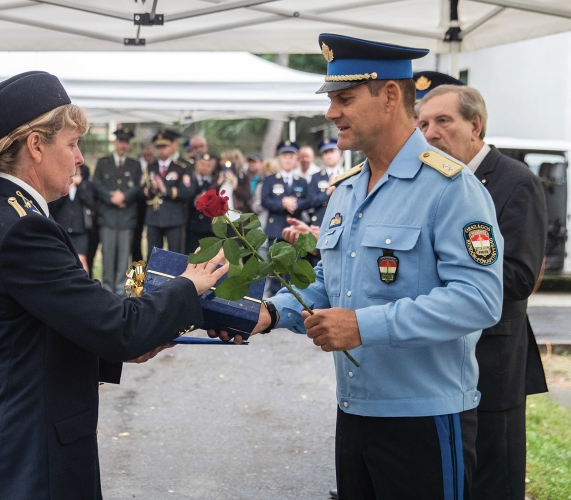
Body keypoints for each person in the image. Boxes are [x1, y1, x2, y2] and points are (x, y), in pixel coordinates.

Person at [215, 34, 504, 499]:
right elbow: (331, 282)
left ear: (391, 95)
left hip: (424, 419)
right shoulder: (347, 189)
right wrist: (269, 313)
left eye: (344, 99)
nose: (331, 113)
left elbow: (480, 300)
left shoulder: (452, 188)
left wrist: (364, 326)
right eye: (331, 100)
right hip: (355, 412)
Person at [0, 71, 228, 499]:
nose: (79, 158)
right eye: (72, 143)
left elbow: (46, 328)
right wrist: (190, 284)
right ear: (36, 145)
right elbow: (117, 326)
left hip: (24, 445)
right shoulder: (20, 228)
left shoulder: (6, 213)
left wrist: (127, 346)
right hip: (30, 459)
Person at [418, 84, 548, 500]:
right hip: (440, 362)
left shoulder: (516, 181)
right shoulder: (433, 182)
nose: (430, 133)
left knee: (495, 481)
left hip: (493, 361)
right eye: (422, 123)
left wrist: (437, 275)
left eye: (442, 121)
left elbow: (519, 275)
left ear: (475, 124)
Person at [93, 127, 142, 297]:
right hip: (107, 217)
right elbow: (96, 185)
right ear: (115, 143)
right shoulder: (103, 162)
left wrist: (125, 197)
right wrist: (110, 197)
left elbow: (138, 187)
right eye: (120, 141)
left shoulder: (135, 165)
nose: (123, 145)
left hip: (127, 218)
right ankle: (107, 291)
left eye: (126, 142)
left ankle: (121, 292)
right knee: (107, 257)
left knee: (124, 258)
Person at [261, 140, 309, 296]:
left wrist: (295, 203)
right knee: (276, 270)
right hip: (276, 230)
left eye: (291, 156)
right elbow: (265, 200)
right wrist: (282, 203)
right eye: (284, 156)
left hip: (295, 230)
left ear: (295, 159)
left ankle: (293, 299)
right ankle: (275, 304)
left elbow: (308, 200)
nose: (288, 159)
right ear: (279, 159)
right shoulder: (270, 179)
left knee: (293, 268)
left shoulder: (301, 181)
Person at [143, 128, 195, 256]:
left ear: (174, 145)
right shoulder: (151, 167)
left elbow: (188, 191)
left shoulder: (183, 166)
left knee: (175, 255)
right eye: (159, 147)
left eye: (165, 146)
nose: (161, 150)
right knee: (153, 256)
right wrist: (153, 189)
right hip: (154, 218)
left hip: (174, 218)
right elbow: (143, 191)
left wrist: (165, 190)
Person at [48, 167, 94, 273]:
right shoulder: (60, 187)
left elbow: (91, 203)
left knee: (81, 260)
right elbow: (55, 205)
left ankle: (84, 285)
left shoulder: (86, 185)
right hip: (63, 228)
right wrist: (67, 188)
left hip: (80, 230)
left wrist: (80, 186)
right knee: (62, 259)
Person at [186, 153, 221, 253]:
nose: (205, 168)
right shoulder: (191, 180)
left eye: (208, 165)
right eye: (202, 164)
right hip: (192, 224)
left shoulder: (214, 183)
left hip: (208, 226)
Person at [132, 140, 155, 262]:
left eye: (150, 155)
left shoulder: (156, 165)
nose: (148, 157)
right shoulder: (135, 165)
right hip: (137, 207)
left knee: (153, 242)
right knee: (136, 242)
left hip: (153, 208)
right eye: (145, 155)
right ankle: (137, 278)